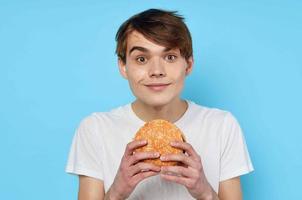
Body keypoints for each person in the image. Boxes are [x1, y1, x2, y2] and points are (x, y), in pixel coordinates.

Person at [65, 8, 254, 200]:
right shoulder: (95, 129)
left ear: (188, 64)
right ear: (123, 67)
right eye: (141, 59)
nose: (156, 71)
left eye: (170, 57)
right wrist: (117, 192)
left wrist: (205, 192)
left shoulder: (222, 125)